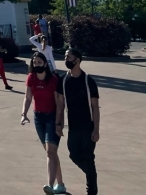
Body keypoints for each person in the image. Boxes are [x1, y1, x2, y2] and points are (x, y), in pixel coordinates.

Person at [21, 52, 66, 195]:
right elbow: (28, 98)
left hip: (52, 117)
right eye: (34, 63)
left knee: (50, 151)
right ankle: (61, 185)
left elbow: (59, 103)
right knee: (51, 152)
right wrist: (23, 114)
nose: (37, 65)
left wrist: (59, 123)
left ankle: (50, 185)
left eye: (39, 62)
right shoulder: (31, 78)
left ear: (45, 64)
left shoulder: (53, 80)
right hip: (38, 118)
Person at [56, 47, 100, 195]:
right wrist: (58, 124)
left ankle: (91, 190)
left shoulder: (88, 81)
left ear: (78, 60)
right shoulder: (63, 80)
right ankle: (91, 175)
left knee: (88, 157)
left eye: (69, 57)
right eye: (65, 57)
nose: (66, 59)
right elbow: (60, 104)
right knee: (74, 154)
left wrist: (96, 130)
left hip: (88, 127)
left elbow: (95, 107)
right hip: (73, 127)